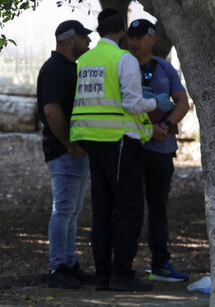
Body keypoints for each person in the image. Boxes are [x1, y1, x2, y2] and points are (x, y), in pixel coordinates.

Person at [71, 9, 172, 292]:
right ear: (122, 33)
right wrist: (156, 103)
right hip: (118, 140)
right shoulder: (123, 58)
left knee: (102, 209)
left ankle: (103, 274)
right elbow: (131, 104)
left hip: (91, 139)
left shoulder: (85, 59)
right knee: (129, 207)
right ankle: (122, 273)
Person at [126, 19, 190, 282]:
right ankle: (122, 266)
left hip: (161, 149)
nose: (135, 42)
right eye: (131, 36)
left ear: (152, 39)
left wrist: (166, 124)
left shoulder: (165, 68)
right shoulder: (122, 65)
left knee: (158, 208)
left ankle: (160, 264)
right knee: (128, 206)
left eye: (140, 37)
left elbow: (183, 102)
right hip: (130, 147)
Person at [37, 20, 94, 289]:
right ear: (70, 39)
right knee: (63, 210)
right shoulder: (55, 69)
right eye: (84, 37)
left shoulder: (69, 68)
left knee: (72, 210)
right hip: (64, 151)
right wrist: (68, 143)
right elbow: (51, 110)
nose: (88, 42)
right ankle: (58, 266)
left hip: (75, 151)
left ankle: (68, 264)